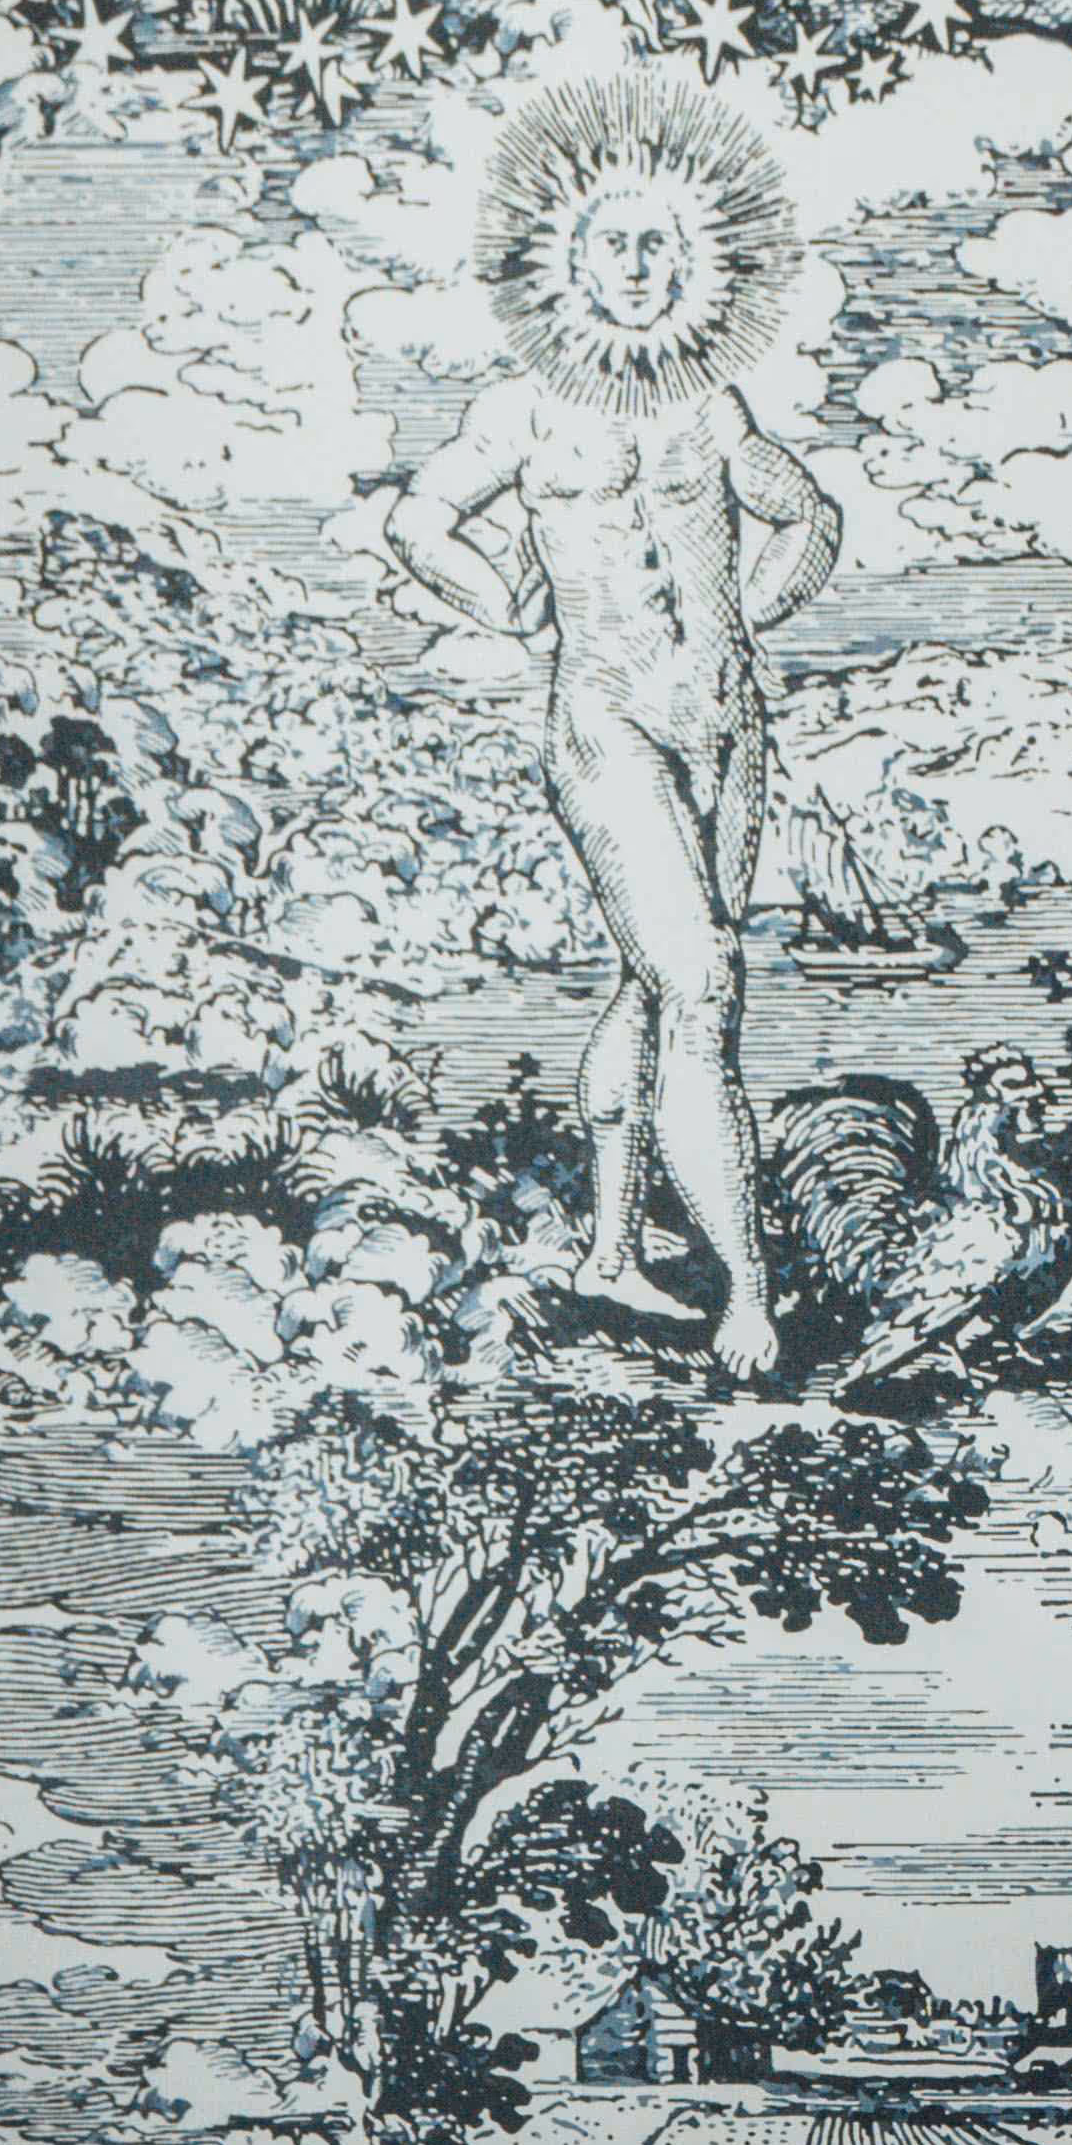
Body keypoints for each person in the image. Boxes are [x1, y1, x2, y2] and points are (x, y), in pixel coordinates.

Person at [381, 72, 841, 1384]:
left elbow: (808, 516)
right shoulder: (522, 408)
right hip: (608, 730)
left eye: (660, 243)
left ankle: (606, 1248)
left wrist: (750, 616)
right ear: (567, 262)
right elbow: (416, 523)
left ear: (688, 258)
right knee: (703, 989)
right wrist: (505, 604)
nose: (639, 265)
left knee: (657, 979)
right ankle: (746, 1292)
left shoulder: (712, 407)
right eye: (614, 243)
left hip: (727, 730)